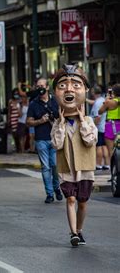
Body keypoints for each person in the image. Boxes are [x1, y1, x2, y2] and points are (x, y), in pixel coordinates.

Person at [50, 64, 97, 247]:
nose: (69, 89)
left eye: (76, 85)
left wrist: (83, 122)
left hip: (85, 168)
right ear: (56, 92)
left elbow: (90, 141)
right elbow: (56, 144)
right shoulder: (57, 123)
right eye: (62, 86)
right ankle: (73, 233)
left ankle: (80, 229)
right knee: (70, 198)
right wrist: (61, 124)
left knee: (83, 202)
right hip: (66, 167)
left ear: (85, 90)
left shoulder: (89, 121)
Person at [27, 77, 62, 204]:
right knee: (45, 167)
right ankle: (49, 194)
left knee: (55, 165)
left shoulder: (55, 101)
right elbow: (28, 122)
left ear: (47, 87)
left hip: (54, 139)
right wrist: (40, 121)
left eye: (42, 86)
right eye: (38, 86)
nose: (40, 88)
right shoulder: (33, 103)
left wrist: (55, 121)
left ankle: (56, 187)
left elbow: (63, 118)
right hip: (41, 138)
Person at [98, 83, 120, 164]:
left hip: (111, 126)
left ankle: (114, 173)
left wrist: (106, 100)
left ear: (113, 92)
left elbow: (100, 112)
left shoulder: (109, 102)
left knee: (111, 151)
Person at [90, 86, 109, 170]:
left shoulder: (97, 103)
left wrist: (93, 126)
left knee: (99, 146)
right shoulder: (103, 100)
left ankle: (98, 164)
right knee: (104, 146)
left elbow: (97, 117)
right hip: (105, 126)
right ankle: (107, 164)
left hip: (99, 127)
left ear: (94, 92)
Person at [8, 88, 21, 153]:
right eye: (15, 93)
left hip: (19, 119)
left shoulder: (19, 101)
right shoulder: (10, 101)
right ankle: (16, 146)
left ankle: (19, 148)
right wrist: (9, 120)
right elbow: (9, 111)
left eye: (17, 93)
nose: (16, 95)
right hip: (13, 119)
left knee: (19, 134)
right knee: (14, 134)